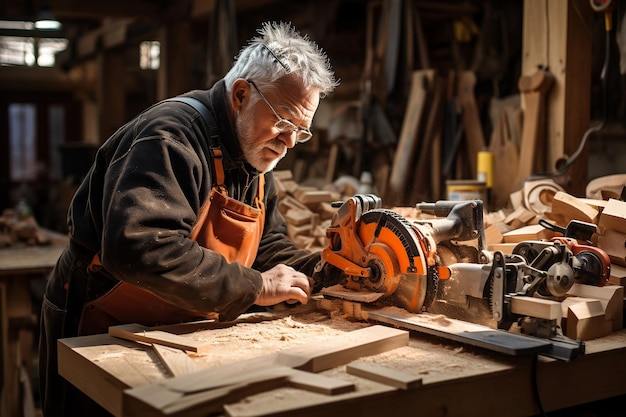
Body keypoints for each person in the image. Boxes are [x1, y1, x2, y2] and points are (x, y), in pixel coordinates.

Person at [39, 21, 340, 416]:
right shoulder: (170, 137)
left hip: (176, 329)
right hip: (99, 318)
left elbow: (266, 245)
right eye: (284, 122)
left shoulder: (255, 158)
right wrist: (255, 286)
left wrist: (324, 271)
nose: (288, 143)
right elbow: (138, 247)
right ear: (241, 94)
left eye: (301, 132)